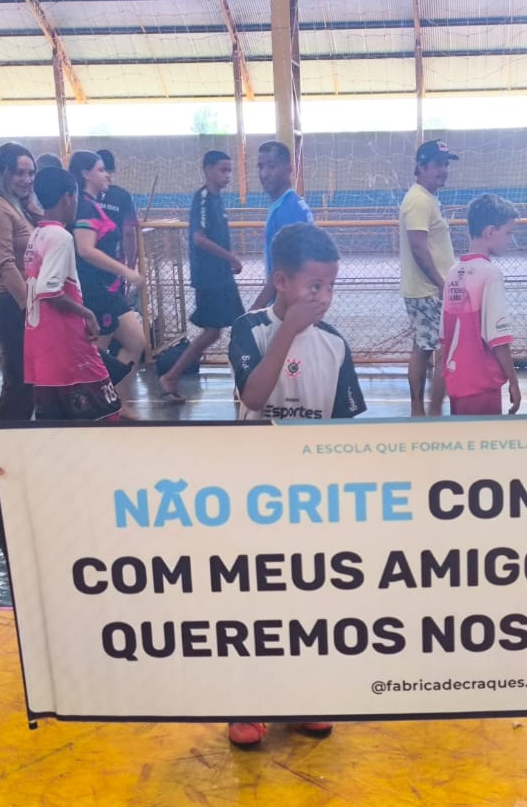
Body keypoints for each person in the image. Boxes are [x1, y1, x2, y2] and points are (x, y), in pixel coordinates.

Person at [225, 221, 364, 746]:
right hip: (253, 494)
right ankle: (249, 701)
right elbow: (255, 396)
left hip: (312, 499)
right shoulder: (250, 329)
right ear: (281, 282)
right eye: (314, 286)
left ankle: (307, 694)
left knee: (311, 601)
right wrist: (288, 331)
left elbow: (344, 433)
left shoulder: (335, 344)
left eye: (331, 286)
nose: (324, 297)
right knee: (256, 603)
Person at [26, 166, 123, 422]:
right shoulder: (61, 237)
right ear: (68, 198)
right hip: (67, 345)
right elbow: (49, 289)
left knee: (56, 425)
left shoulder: (37, 234)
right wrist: (86, 313)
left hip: (44, 346)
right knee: (107, 416)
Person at [158, 151, 244, 402]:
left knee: (237, 326)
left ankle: (241, 381)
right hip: (209, 277)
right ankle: (171, 376)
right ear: (207, 169)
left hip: (220, 275)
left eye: (229, 171)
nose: (227, 175)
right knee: (214, 331)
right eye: (222, 170)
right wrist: (231, 257)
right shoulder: (204, 198)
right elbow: (199, 238)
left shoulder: (217, 199)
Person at [67, 151, 146, 383]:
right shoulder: (84, 207)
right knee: (94, 357)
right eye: (101, 170)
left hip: (109, 290)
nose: (107, 175)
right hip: (95, 290)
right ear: (86, 174)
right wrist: (126, 271)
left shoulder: (93, 205)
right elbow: (85, 249)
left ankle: (114, 397)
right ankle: (93, 399)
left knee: (136, 342)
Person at [441, 193, 521, 416]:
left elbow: (444, 338)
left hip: (457, 381)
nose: (509, 239)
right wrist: (514, 382)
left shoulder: (453, 272)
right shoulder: (490, 273)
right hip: (481, 382)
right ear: (490, 232)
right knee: (484, 437)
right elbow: (498, 340)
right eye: (508, 233)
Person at [0, 143, 38, 424]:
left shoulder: (18, 207)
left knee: (28, 389)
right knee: (18, 391)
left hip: (24, 305)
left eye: (31, 173)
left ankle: (12, 444)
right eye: (18, 173)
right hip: (12, 307)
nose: (26, 179)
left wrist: (33, 208)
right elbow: (4, 264)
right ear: (1, 173)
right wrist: (30, 308)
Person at [400, 140, 458, 417]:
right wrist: (440, 283)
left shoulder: (427, 198)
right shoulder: (419, 201)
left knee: (423, 347)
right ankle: (432, 411)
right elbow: (419, 247)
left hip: (428, 289)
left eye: (446, 165)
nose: (443, 170)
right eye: (437, 164)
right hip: (429, 291)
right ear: (421, 167)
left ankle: (421, 411)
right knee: (443, 350)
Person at [249, 139, 313, 311]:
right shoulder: (285, 205)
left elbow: (285, 266)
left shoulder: (288, 210)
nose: (264, 174)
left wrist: (256, 308)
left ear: (288, 170)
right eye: (260, 167)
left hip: (291, 307)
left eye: (272, 166)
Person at [95, 148, 140, 274]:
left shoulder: (83, 196)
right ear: (113, 170)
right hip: (115, 262)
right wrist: (131, 263)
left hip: (88, 262)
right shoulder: (123, 196)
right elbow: (128, 233)